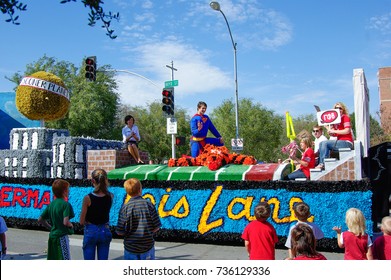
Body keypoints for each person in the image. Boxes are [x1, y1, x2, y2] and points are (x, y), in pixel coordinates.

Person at [116, 178, 161, 260]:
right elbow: (157, 226)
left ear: (127, 192)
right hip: (147, 246)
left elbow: (119, 231)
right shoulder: (149, 205)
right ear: (140, 189)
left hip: (131, 248)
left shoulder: (125, 208)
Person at [80, 169, 113, 260]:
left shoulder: (88, 198)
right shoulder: (110, 196)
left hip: (91, 229)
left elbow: (81, 221)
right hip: (104, 229)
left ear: (93, 181)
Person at [38, 179, 75, 260]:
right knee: (65, 258)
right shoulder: (66, 205)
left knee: (53, 258)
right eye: (67, 189)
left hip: (52, 236)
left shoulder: (51, 204)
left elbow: (40, 219)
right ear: (64, 191)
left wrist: (50, 227)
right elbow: (65, 222)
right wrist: (71, 225)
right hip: (61, 236)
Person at [315, 102, 354, 170]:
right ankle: (321, 163)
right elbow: (335, 134)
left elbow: (347, 130)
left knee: (325, 143)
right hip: (339, 142)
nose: (338, 109)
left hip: (347, 142)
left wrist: (334, 131)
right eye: (336, 108)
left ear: (343, 109)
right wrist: (329, 130)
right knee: (321, 144)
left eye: (340, 108)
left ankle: (322, 163)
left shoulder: (345, 117)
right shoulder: (336, 121)